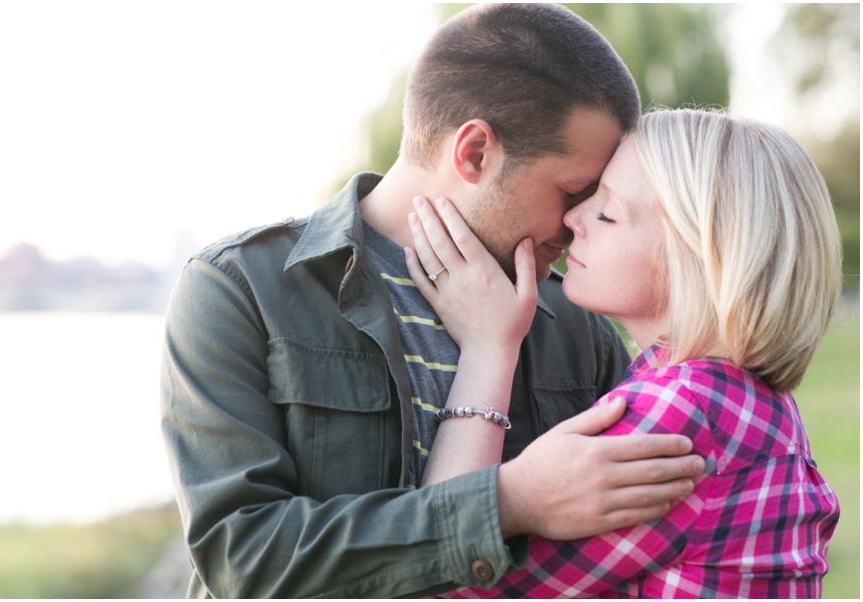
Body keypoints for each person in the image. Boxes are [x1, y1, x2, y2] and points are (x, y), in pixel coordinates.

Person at [159, 5, 705, 598]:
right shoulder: (241, 290)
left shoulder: (579, 322)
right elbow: (244, 561)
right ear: (473, 154)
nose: (579, 223)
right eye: (573, 190)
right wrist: (508, 501)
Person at [404, 108, 842, 598]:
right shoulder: (746, 401)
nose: (572, 219)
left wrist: (489, 347)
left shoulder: (679, 417)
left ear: (696, 258)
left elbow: (442, 577)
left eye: (607, 212)